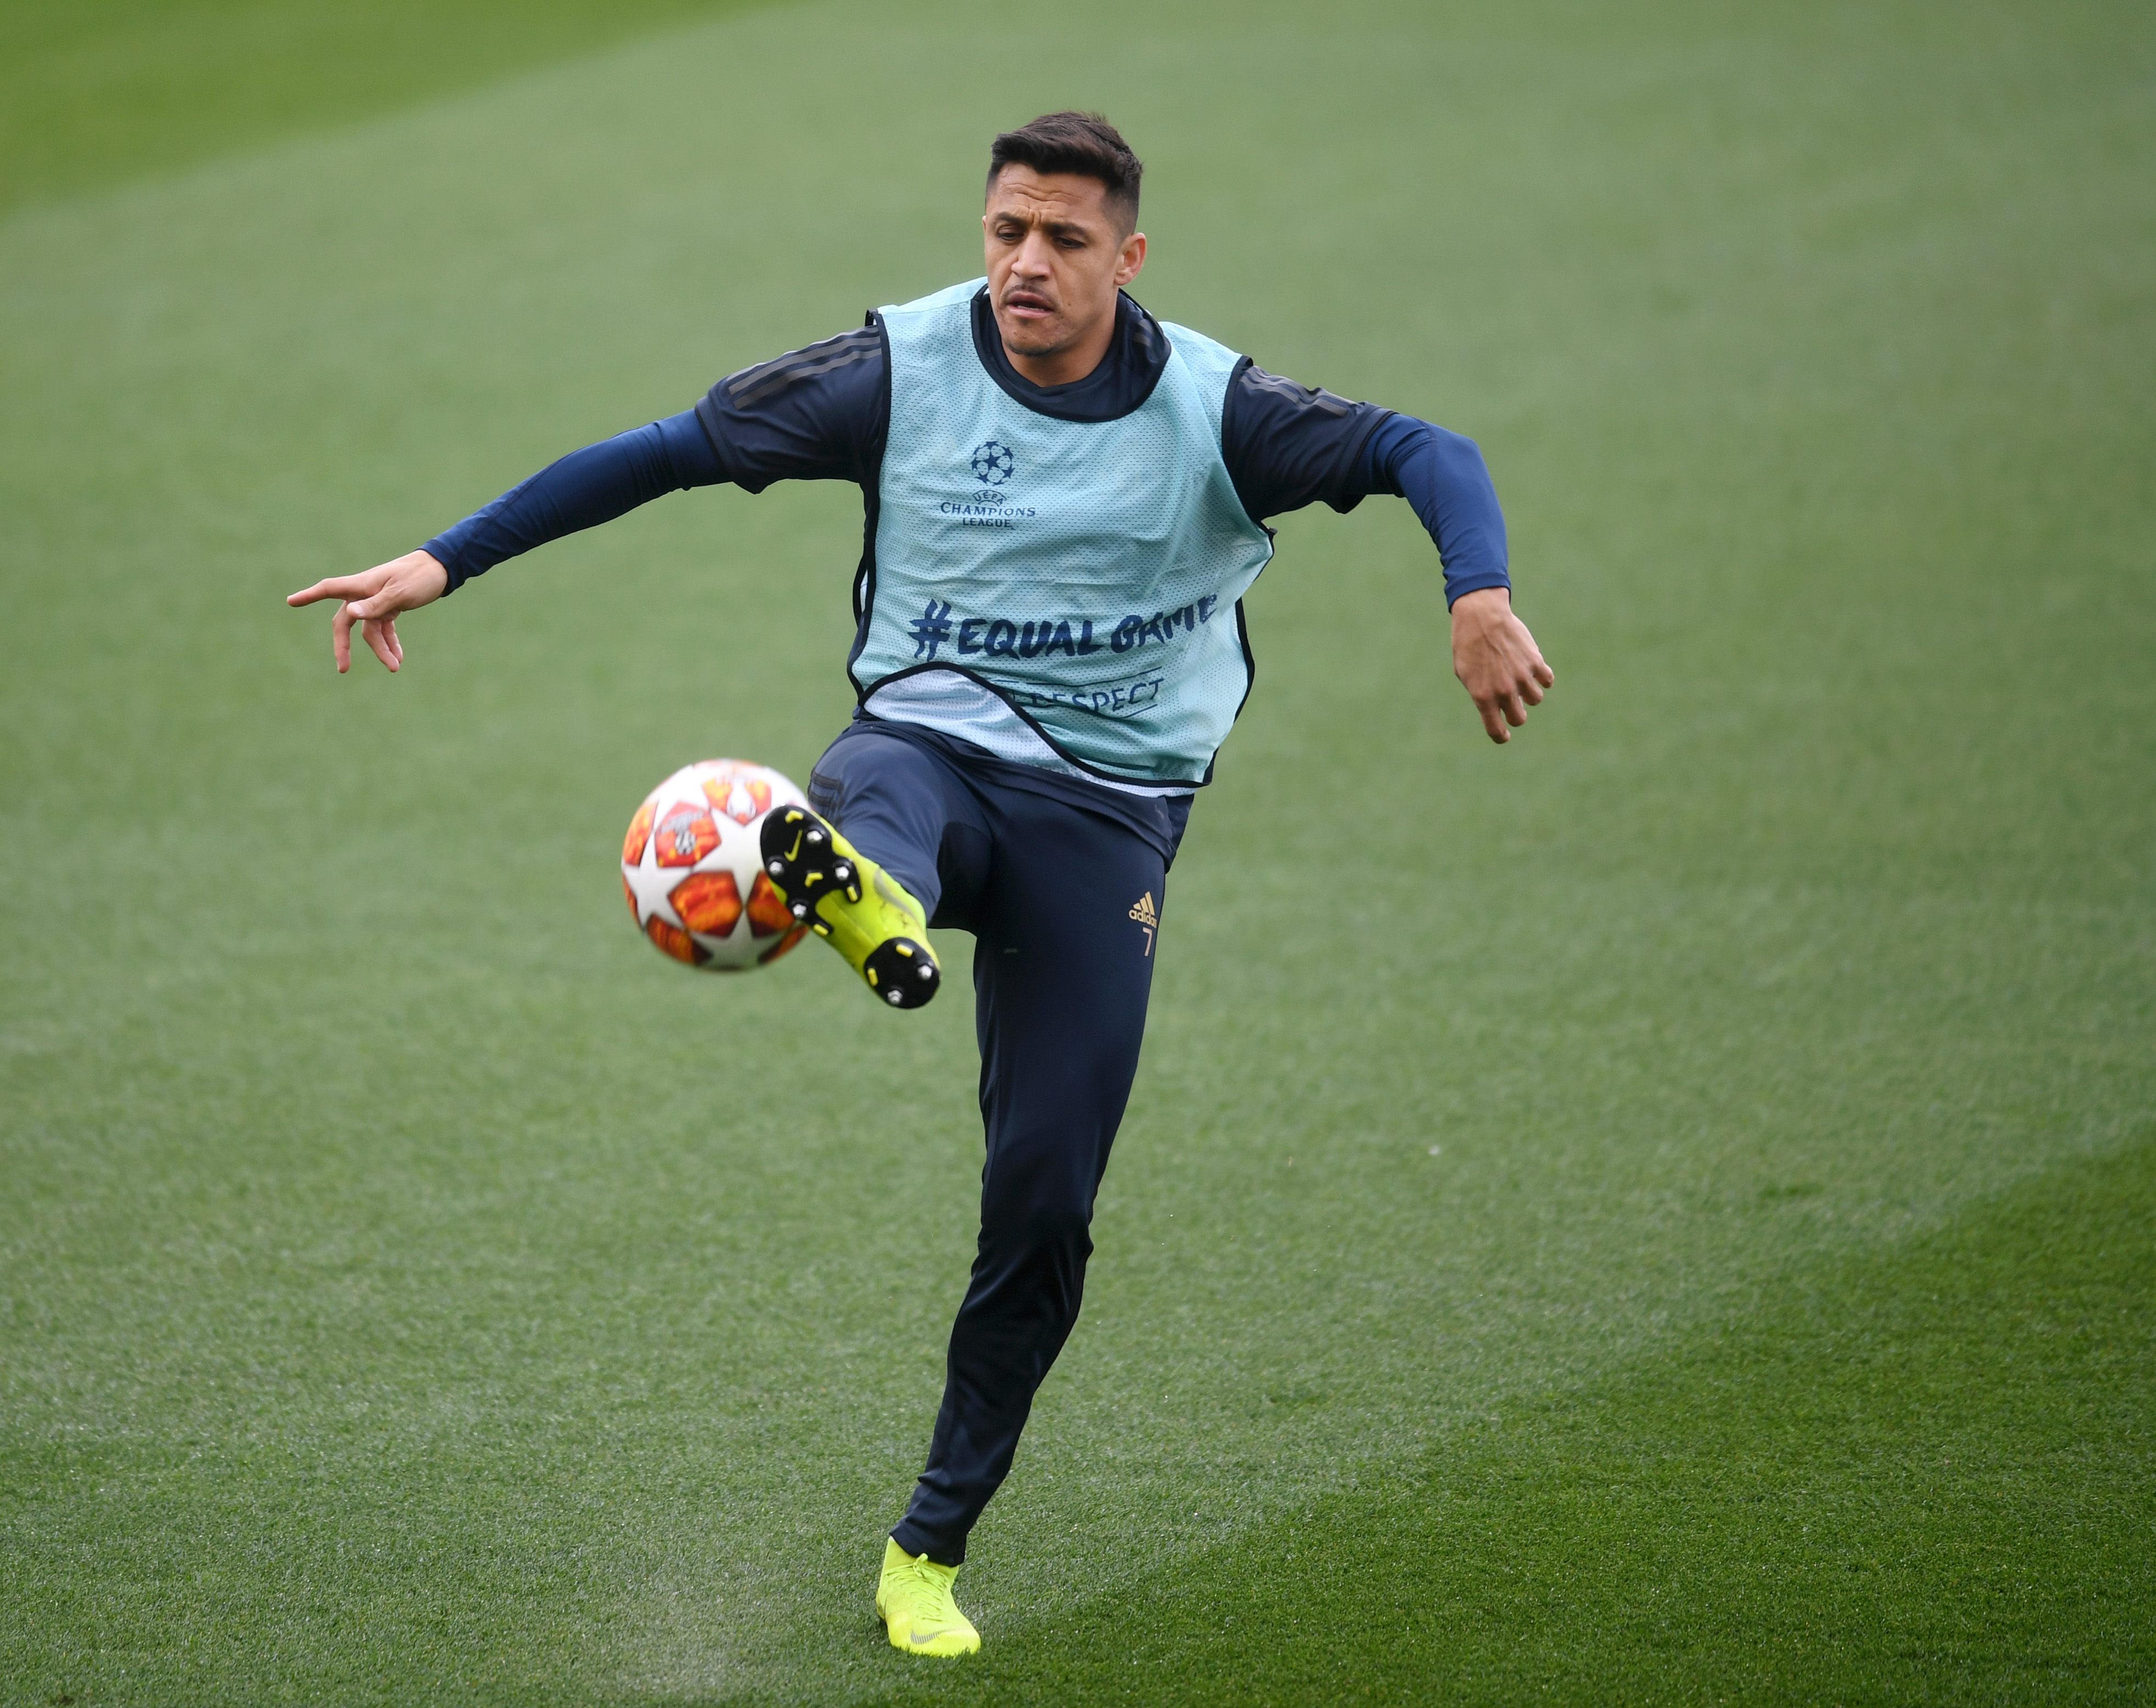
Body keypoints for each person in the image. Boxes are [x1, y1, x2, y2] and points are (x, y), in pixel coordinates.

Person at [290, 110, 1553, 1658]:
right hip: (929, 755)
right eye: (1007, 230)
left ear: (1127, 257)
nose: (1026, 263)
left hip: (1105, 823)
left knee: (1045, 1200)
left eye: (1065, 240)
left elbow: (1429, 449)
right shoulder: (897, 366)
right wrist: (444, 558)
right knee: (875, 777)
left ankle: (927, 1545)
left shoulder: (1222, 410)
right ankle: (860, 891)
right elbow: (667, 454)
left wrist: (1473, 589)